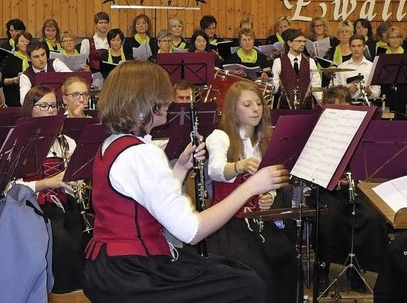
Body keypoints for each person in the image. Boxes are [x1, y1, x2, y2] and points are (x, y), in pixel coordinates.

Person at [83, 60, 290, 303]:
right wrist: (250, 187)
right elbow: (191, 231)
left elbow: (148, 201)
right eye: (163, 95)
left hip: (109, 266)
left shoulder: (114, 143)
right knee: (248, 285)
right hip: (133, 273)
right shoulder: (143, 153)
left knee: (233, 271)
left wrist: (180, 168)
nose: (168, 101)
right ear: (148, 100)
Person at [206, 80, 298, 303]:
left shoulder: (264, 139)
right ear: (233, 110)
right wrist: (239, 165)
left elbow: (273, 179)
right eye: (247, 104)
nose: (256, 108)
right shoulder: (221, 136)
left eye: (258, 103)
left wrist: (269, 197)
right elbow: (215, 171)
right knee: (257, 271)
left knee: (287, 260)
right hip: (228, 222)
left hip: (257, 220)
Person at [16, 85, 85, 294]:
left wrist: (75, 182)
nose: (49, 111)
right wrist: (47, 183)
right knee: (61, 240)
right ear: (30, 109)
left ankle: (85, 292)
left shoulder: (67, 142)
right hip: (32, 206)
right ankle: (62, 294)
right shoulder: (20, 142)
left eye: (53, 106)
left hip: (64, 202)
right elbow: (10, 188)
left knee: (87, 234)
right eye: (43, 106)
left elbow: (77, 178)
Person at [271, 29, 322, 109]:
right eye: (299, 41)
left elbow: (316, 83)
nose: (302, 44)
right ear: (289, 43)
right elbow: (275, 88)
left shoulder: (310, 62)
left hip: (306, 107)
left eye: (303, 41)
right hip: (285, 107)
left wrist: (319, 99)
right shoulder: (278, 62)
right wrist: (269, 82)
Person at [19, 40, 71, 104]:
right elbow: (24, 100)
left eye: (43, 54)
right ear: (29, 58)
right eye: (36, 57)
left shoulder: (55, 63)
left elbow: (73, 80)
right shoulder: (25, 76)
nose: (41, 59)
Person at [334, 34, 380, 100]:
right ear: (349, 47)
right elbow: (334, 91)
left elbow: (377, 93)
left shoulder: (372, 67)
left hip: (367, 105)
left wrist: (369, 92)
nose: (356, 49)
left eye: (359, 46)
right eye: (353, 46)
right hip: (347, 105)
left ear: (364, 47)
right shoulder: (341, 67)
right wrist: (347, 90)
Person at [0, 31, 32, 107]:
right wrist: (13, 80)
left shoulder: (34, 59)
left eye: (28, 41)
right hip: (13, 98)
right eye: (22, 41)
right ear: (17, 44)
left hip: (32, 98)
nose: (25, 43)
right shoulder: (9, 59)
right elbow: (2, 81)